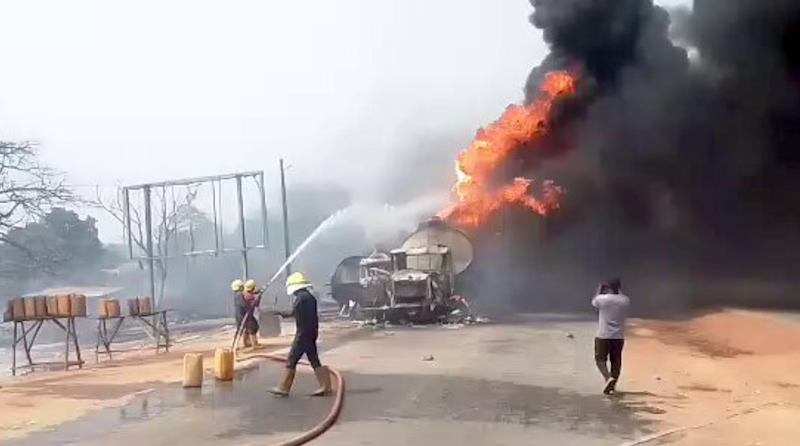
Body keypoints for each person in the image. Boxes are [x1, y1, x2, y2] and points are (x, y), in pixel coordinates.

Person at [269, 272, 332, 397]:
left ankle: (283, 388)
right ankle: (326, 386)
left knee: (291, 360)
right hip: (312, 332)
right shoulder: (309, 297)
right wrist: (283, 313)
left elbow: (296, 313)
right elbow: (297, 313)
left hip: (303, 334)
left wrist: (281, 313)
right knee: (314, 359)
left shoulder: (300, 299)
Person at [592, 278, 630, 395]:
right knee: (616, 361)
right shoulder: (625, 300)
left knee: (600, 359)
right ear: (619, 287)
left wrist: (599, 290)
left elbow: (594, 303)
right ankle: (613, 385)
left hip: (603, 334)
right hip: (618, 336)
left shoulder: (601, 299)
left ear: (607, 287)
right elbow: (621, 297)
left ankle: (608, 378)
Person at [231, 279, 251, 349]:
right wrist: (249, 303)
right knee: (240, 329)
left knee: (245, 329)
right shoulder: (239, 295)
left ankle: (246, 342)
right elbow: (243, 304)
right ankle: (235, 345)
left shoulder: (237, 295)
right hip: (241, 315)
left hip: (240, 314)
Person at [242, 280, 262, 348]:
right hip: (248, 315)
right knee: (253, 327)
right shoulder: (251, 297)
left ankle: (246, 343)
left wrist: (258, 292)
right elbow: (256, 304)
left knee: (247, 328)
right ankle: (254, 344)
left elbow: (252, 293)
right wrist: (259, 296)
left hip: (244, 315)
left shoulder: (244, 293)